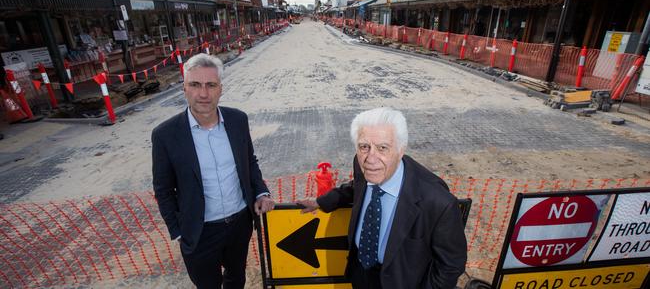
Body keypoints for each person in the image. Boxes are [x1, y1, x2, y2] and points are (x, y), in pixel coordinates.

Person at [299, 107, 467, 289]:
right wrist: (322, 201)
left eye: (382, 148)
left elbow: (451, 265)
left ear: (401, 150)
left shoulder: (438, 203)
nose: (371, 159)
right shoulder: (362, 164)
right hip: (361, 272)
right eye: (364, 146)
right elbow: (357, 187)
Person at [152, 53, 274, 288]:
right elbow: (163, 189)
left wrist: (261, 192)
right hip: (198, 232)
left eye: (211, 85)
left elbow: (249, 161)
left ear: (221, 89)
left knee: (236, 277)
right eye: (195, 85)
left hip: (239, 223)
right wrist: (178, 231)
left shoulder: (238, 120)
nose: (204, 93)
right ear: (184, 88)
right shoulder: (165, 135)